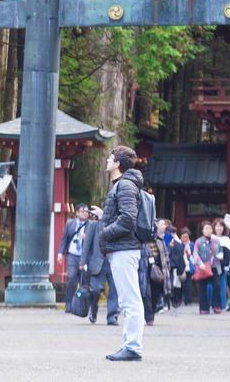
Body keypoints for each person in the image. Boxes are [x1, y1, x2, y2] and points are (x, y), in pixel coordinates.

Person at [97, 145, 146, 362]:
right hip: (123, 248)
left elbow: (127, 219)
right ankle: (130, 344)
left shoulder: (125, 185)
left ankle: (133, 347)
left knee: (130, 299)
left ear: (117, 163)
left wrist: (104, 233)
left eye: (110, 157)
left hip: (125, 248)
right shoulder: (123, 185)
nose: (107, 160)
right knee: (128, 298)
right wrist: (103, 217)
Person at [78, 205, 118, 325]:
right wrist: (82, 262)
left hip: (112, 261)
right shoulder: (93, 225)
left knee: (114, 290)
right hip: (97, 261)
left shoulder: (115, 225)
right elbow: (87, 244)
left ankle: (112, 316)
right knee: (95, 290)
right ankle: (93, 309)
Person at [59, 204, 91, 314]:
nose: (85, 213)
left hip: (85, 256)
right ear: (77, 213)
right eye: (82, 211)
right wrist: (60, 253)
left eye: (87, 211)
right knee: (72, 278)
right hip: (72, 255)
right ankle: (68, 303)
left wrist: (87, 238)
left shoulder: (91, 225)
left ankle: (81, 304)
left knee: (84, 282)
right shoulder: (70, 223)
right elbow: (64, 239)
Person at [193, 221, 221, 315]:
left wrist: (221, 255)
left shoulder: (216, 240)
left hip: (214, 266)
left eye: (209, 228)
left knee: (217, 286)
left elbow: (220, 251)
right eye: (206, 229)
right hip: (203, 267)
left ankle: (216, 305)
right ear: (202, 230)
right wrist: (200, 263)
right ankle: (204, 307)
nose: (208, 230)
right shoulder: (199, 241)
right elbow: (195, 253)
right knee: (202, 288)